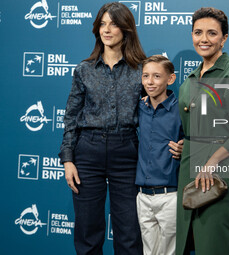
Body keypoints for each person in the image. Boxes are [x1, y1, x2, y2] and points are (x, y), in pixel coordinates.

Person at [58, 2, 146, 255]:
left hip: (127, 151)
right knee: (88, 232)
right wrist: (68, 159)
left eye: (114, 24)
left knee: (130, 233)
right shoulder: (84, 70)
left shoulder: (142, 69)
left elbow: (155, 113)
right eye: (102, 24)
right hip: (88, 152)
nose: (107, 30)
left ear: (126, 29)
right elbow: (71, 117)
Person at [176, 7, 229, 255]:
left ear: (224, 38)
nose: (204, 39)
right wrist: (187, 144)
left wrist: (213, 161)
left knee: (213, 243)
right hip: (189, 168)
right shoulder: (191, 77)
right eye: (198, 32)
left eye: (212, 33)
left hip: (220, 170)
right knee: (187, 242)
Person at [135, 55, 184, 255]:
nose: (150, 81)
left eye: (156, 76)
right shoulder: (139, 107)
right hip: (143, 196)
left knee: (170, 252)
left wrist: (186, 147)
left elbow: (200, 141)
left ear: (170, 79)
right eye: (145, 76)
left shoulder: (182, 110)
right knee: (148, 251)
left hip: (170, 195)